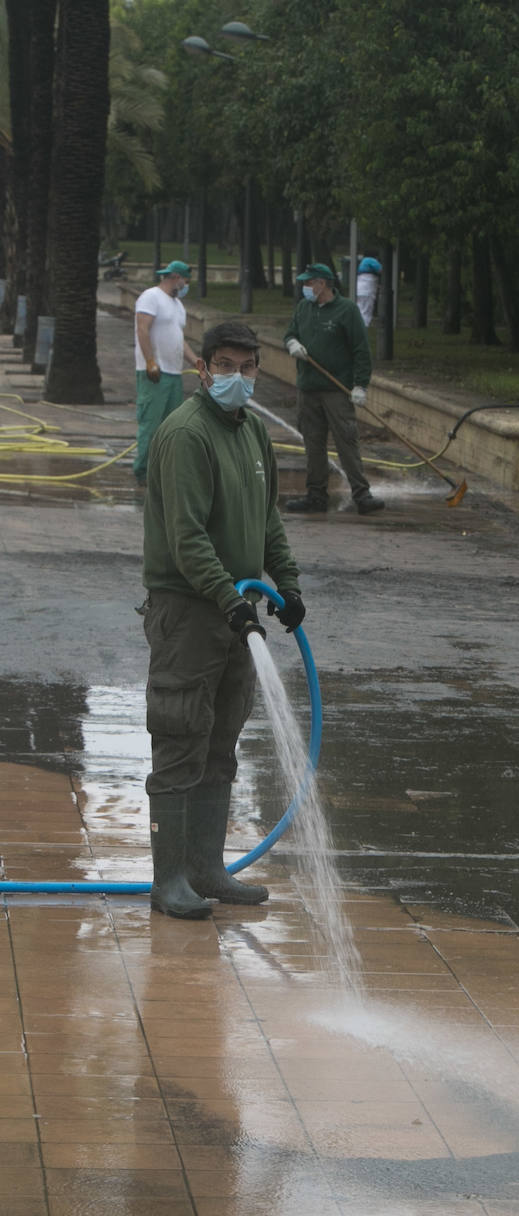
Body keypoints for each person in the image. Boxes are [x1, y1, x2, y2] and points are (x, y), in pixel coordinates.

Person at [141, 320, 306, 921]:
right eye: (226, 365)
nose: (238, 377)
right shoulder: (186, 435)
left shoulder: (253, 432)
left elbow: (268, 522)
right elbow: (185, 537)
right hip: (189, 611)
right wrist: (227, 599)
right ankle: (169, 880)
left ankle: (208, 869)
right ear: (204, 368)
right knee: (181, 735)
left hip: (239, 611)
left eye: (248, 366)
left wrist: (284, 586)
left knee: (221, 737)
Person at [283, 262, 384, 515]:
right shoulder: (304, 308)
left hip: (336, 390)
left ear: (322, 283)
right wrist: (292, 342)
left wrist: (360, 385)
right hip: (308, 388)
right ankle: (315, 496)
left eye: (309, 282)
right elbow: (289, 333)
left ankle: (362, 495)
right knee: (313, 444)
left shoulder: (346, 310)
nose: (305, 287)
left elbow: (361, 350)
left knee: (346, 442)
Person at [134, 259, 198, 486]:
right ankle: (143, 471)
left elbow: (179, 341)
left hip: (174, 373)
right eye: (185, 280)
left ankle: (163, 471)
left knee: (172, 426)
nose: (187, 285)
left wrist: (196, 362)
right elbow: (142, 328)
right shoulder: (151, 297)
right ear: (175, 277)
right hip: (154, 373)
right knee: (151, 423)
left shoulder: (178, 305)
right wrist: (150, 361)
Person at [355, 253, 382, 328]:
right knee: (367, 310)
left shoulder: (363, 262)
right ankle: (364, 327)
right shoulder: (371, 260)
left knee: (360, 308)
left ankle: (358, 326)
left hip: (359, 289)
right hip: (367, 290)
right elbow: (380, 270)